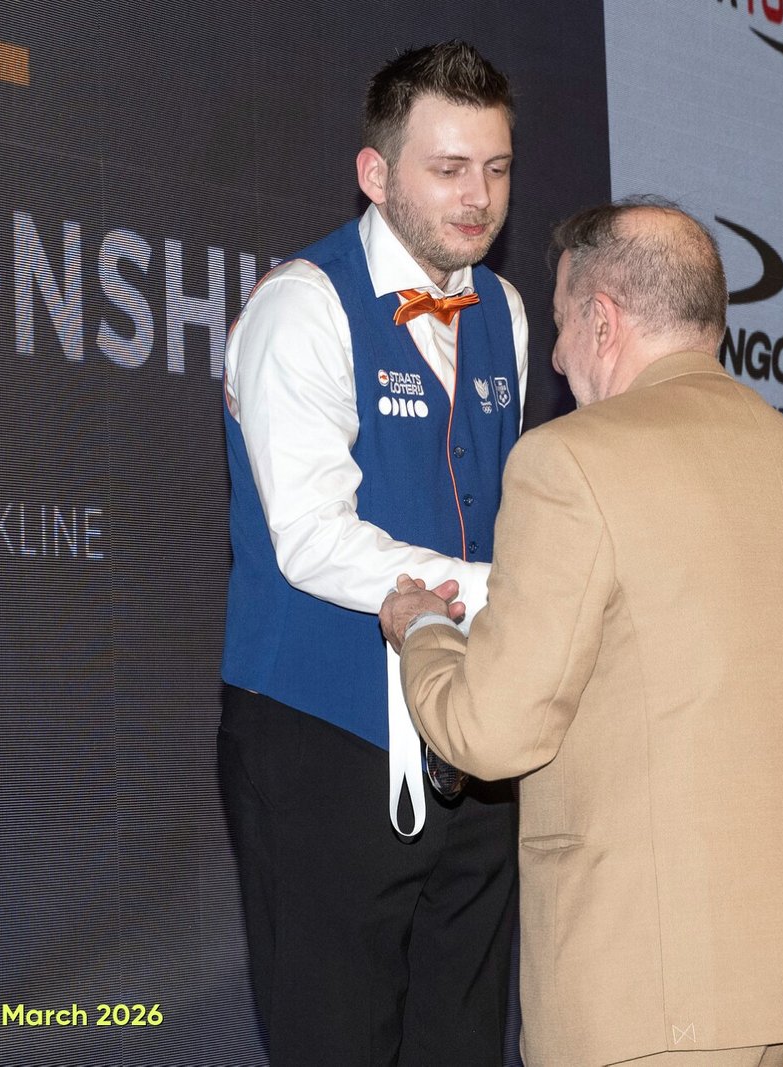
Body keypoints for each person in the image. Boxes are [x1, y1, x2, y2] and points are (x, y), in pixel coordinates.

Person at [379, 198, 783, 1066]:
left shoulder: (569, 458)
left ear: (602, 320)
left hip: (666, 985)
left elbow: (493, 729)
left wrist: (423, 634)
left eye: (562, 326)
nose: (555, 357)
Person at [216, 41, 525, 1066]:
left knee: (465, 1042)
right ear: (376, 173)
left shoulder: (506, 311)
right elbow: (310, 539)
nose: (478, 197)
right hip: (324, 735)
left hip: (472, 736)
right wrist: (513, 593)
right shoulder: (302, 304)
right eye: (449, 168)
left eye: (497, 168)